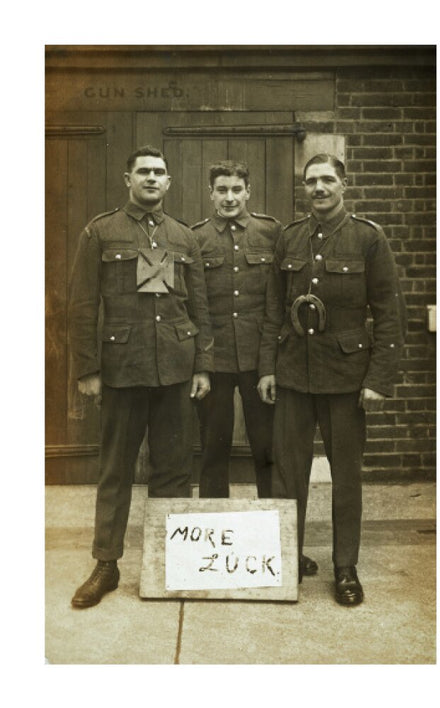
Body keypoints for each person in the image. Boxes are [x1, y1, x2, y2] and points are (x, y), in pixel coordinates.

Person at [258, 153, 407, 605]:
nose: (318, 188)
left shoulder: (368, 238)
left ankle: (345, 569)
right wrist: (267, 367)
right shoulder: (289, 238)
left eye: (327, 180)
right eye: (311, 181)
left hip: (346, 378)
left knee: (346, 477)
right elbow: (272, 310)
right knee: (288, 475)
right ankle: (287, 560)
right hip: (293, 376)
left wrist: (378, 378)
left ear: (344, 184)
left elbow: (389, 314)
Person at [68, 145, 213, 608]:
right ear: (127, 178)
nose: (152, 178)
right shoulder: (101, 232)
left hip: (173, 369)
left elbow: (200, 307)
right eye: (144, 172)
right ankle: (106, 564)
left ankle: (171, 561)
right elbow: (82, 306)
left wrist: (202, 365)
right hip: (122, 371)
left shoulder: (183, 237)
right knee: (115, 470)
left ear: (169, 183)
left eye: (160, 172)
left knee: (173, 469)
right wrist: (89, 369)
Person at [191, 160, 319, 578]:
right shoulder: (196, 238)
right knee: (213, 452)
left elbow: (276, 306)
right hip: (214, 364)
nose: (229, 197)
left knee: (269, 453)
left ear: (249, 192)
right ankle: (212, 555)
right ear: (210, 194)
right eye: (221, 189)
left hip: (260, 365)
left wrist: (268, 369)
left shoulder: (271, 233)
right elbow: (198, 308)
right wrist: (203, 367)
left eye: (237, 189)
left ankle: (276, 546)